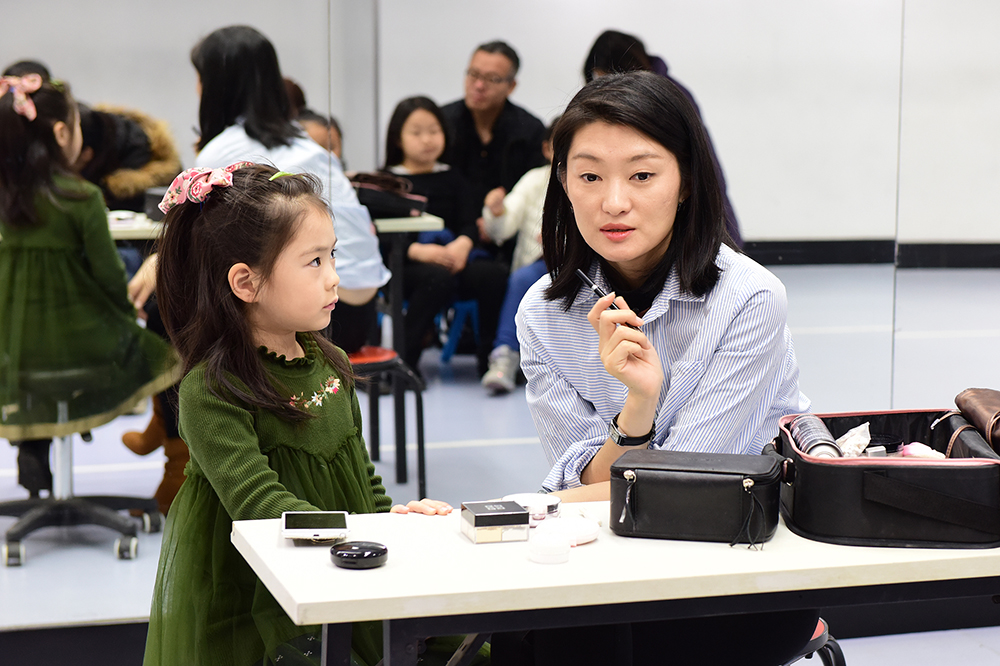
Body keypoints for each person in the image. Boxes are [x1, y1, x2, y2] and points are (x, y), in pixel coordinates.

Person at [505, 71, 815, 665]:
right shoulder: (543, 313)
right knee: (537, 635)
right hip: (611, 552)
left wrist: (603, 473)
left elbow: (686, 491)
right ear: (563, 183)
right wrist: (637, 412)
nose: (613, 201)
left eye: (642, 175)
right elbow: (582, 485)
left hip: (743, 563)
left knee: (598, 637)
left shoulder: (748, 298)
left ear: (686, 183)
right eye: (589, 175)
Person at [143, 162, 456, 666]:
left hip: (335, 565)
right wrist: (359, 535)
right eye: (314, 262)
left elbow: (361, 476)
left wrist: (392, 521)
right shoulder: (213, 389)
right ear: (246, 282)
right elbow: (260, 505)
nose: (335, 278)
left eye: (333, 255)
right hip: (255, 598)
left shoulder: (329, 362)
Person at [0, 74, 179, 496]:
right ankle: (175, 465)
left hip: (11, 354)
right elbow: (112, 284)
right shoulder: (80, 198)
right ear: (62, 133)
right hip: (83, 350)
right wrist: (126, 312)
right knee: (170, 355)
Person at [191, 26, 389, 354]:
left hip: (314, 321)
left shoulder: (221, 152)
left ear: (213, 85)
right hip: (358, 313)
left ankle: (186, 404)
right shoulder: (307, 145)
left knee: (174, 307)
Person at [583, 29, 743, 247]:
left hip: (690, 211)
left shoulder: (664, 97)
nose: (602, 85)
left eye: (605, 76)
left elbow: (698, 163)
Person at [383, 96, 508, 374]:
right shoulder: (386, 181)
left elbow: (467, 222)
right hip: (408, 265)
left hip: (454, 258)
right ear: (397, 138)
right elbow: (378, 238)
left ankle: (491, 361)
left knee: (493, 275)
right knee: (434, 279)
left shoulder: (453, 177)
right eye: (416, 132)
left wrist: (462, 246)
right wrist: (417, 251)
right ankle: (404, 364)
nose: (427, 139)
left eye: (434, 130)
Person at [479, 117, 557, 394]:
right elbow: (504, 226)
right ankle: (505, 358)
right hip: (538, 265)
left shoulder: (595, 179)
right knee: (522, 279)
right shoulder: (535, 180)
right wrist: (497, 211)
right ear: (547, 149)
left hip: (582, 264)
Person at [442, 41, 547, 231]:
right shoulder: (442, 123)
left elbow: (536, 195)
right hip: (450, 231)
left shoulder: (530, 130)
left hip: (508, 235)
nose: (479, 85)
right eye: (473, 74)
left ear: (511, 86)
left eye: (492, 78)